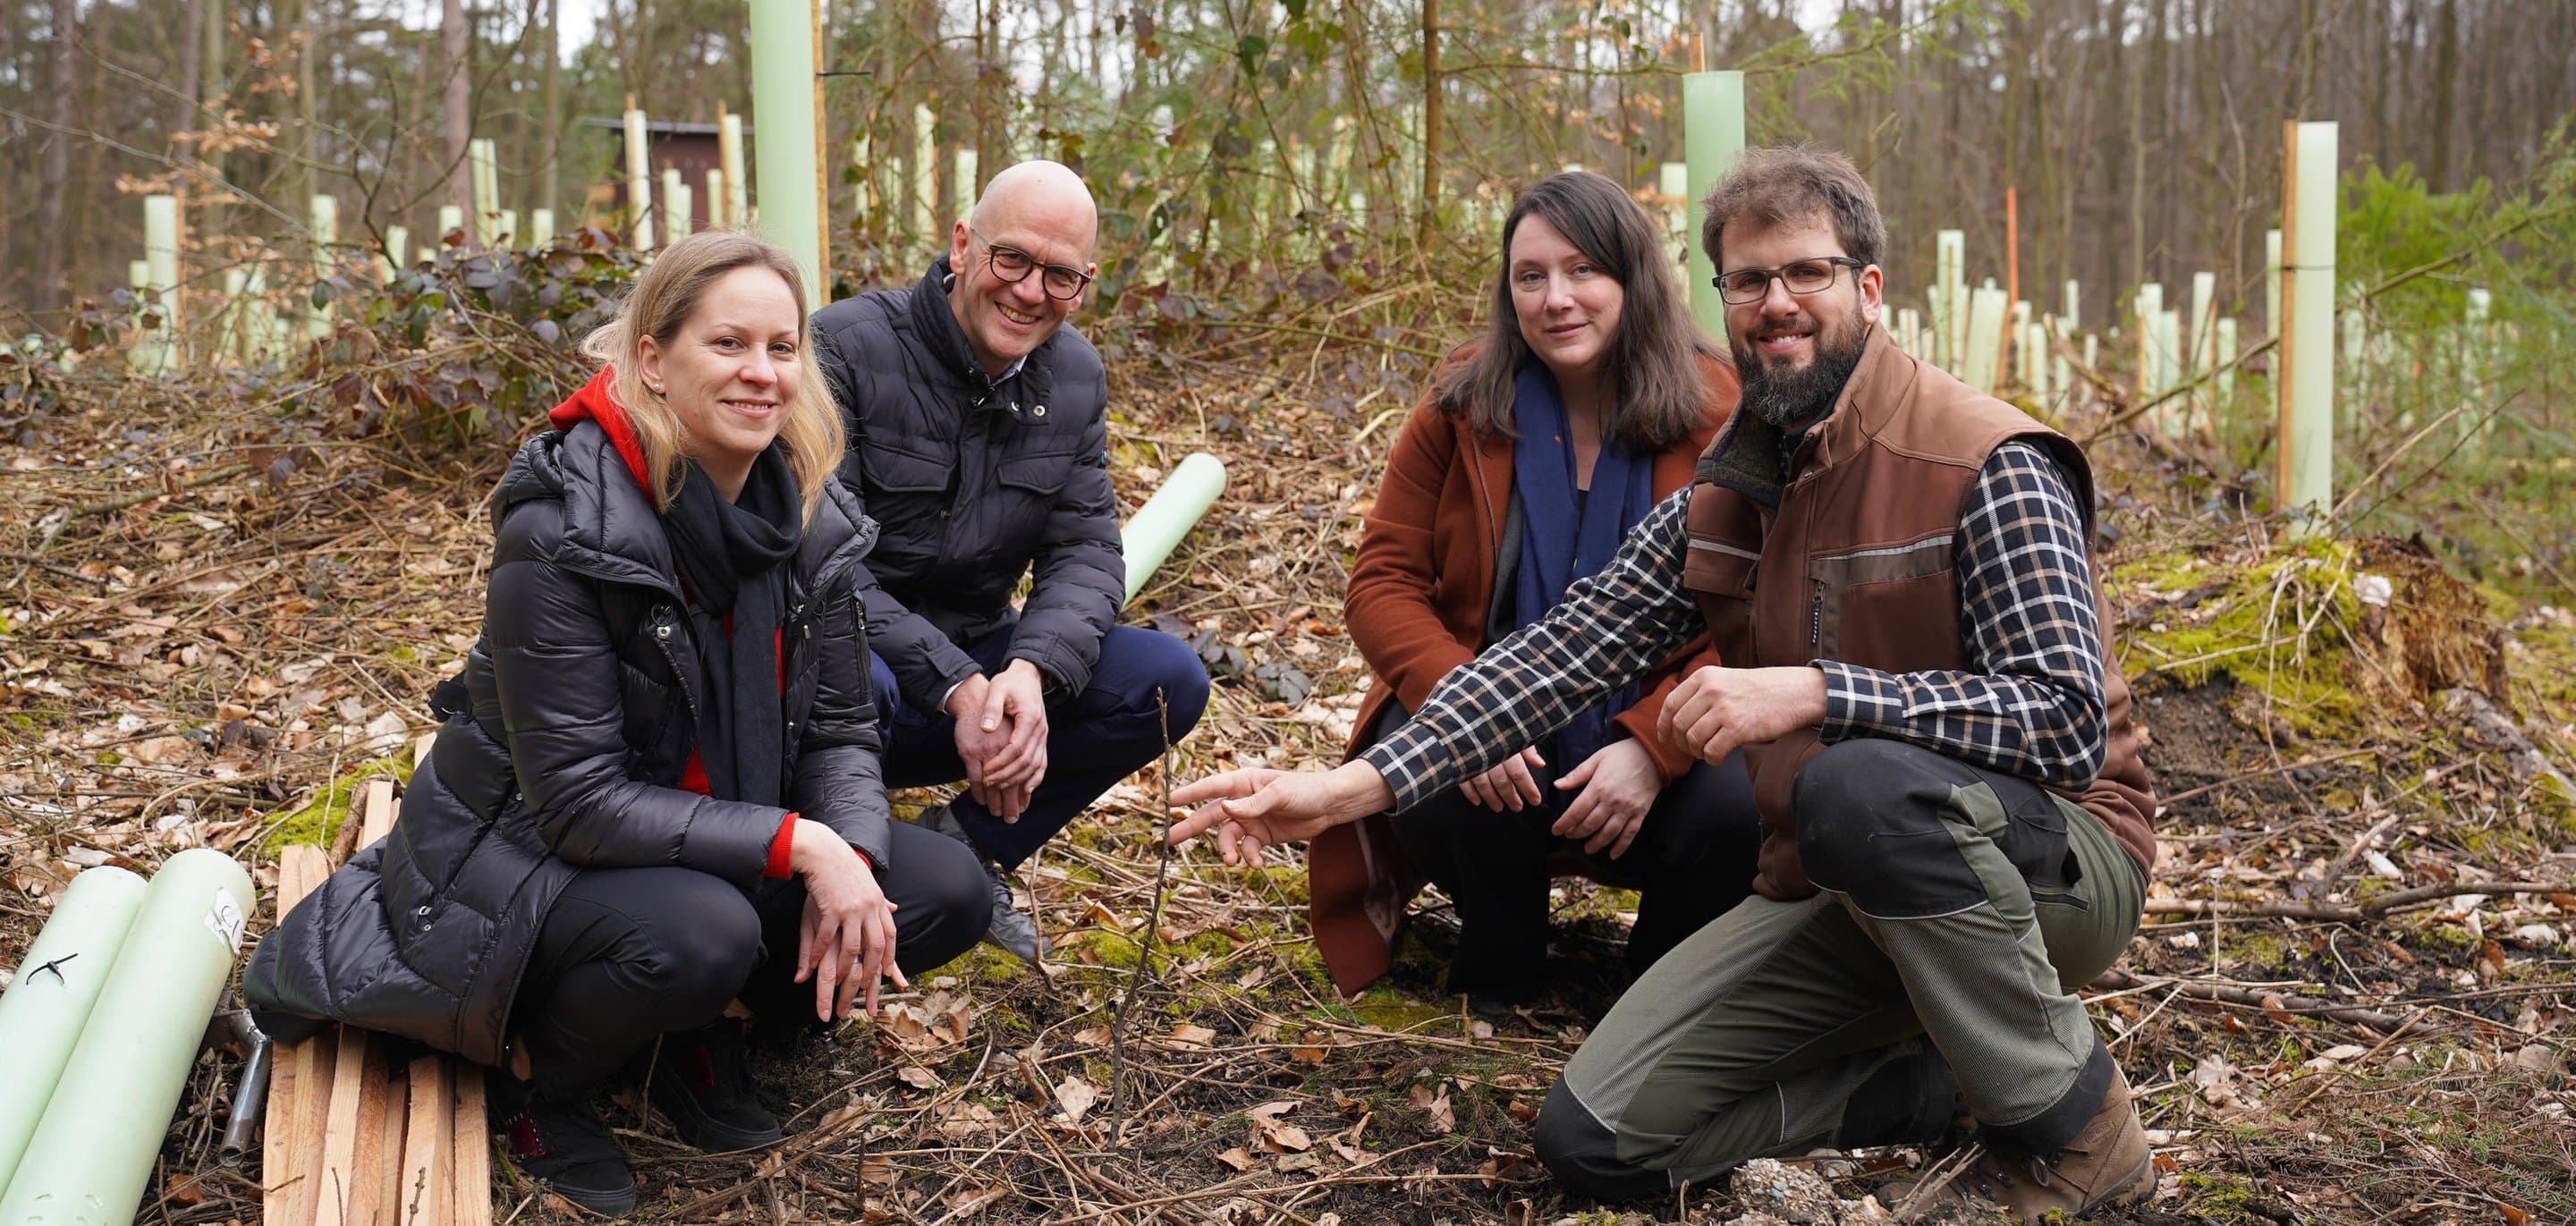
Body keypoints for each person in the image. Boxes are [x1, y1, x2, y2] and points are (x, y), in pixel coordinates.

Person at [1165, 146, 2160, 1222]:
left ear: (1869, 289)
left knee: (1857, 784)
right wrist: (1341, 793)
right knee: (1596, 1140)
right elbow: (1559, 656)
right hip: (1833, 878)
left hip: (2052, 866)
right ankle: (1926, 1086)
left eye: (1808, 273)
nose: (1776, 304)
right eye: (1749, 280)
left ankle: (2073, 1126)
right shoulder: (1737, 489)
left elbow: (2066, 724)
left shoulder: (1988, 460)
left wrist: (1818, 692)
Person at [245, 231, 994, 1215]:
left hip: (715, 835)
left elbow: (844, 727)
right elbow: (578, 803)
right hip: (530, 855)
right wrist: (803, 846)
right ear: (653, 360)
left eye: (782, 347)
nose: (761, 373)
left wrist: (847, 850)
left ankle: (696, 1034)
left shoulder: (808, 514)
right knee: (705, 933)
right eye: (728, 344)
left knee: (946, 891)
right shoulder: (564, 526)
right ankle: (538, 1080)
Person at [1311, 170, 1759, 1012]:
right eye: (1531, 276)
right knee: (1426, 758)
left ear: (1633, 277)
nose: (1557, 298)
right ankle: (1501, 965)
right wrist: (1468, 706)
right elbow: (1382, 579)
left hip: (1665, 725)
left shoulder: (1724, 411)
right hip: (1500, 740)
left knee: (1741, 799)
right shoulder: (1462, 399)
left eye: (1583, 269)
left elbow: (1755, 620)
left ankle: (1659, 994)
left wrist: (1654, 746)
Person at [812, 160, 1209, 962]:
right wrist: (957, 684)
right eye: (1013, 259)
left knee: (1167, 679)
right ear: (963, 245)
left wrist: (1031, 673)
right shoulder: (844, 346)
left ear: (1085, 283)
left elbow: (1087, 551)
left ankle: (967, 844)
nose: (1031, 292)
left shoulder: (1075, 376)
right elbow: (822, 565)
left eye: (1060, 275)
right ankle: (855, 874)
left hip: (982, 672)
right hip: (854, 676)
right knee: (853, 673)